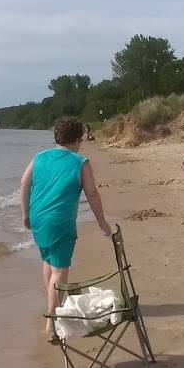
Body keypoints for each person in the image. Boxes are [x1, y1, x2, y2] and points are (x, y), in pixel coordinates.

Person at [19, 117, 112, 334]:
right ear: (78, 139)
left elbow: (24, 183)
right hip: (60, 222)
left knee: (48, 261)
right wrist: (102, 223)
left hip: (38, 219)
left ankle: (55, 304)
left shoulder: (39, 157)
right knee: (60, 270)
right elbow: (92, 194)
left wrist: (25, 214)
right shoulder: (80, 162)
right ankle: (52, 318)